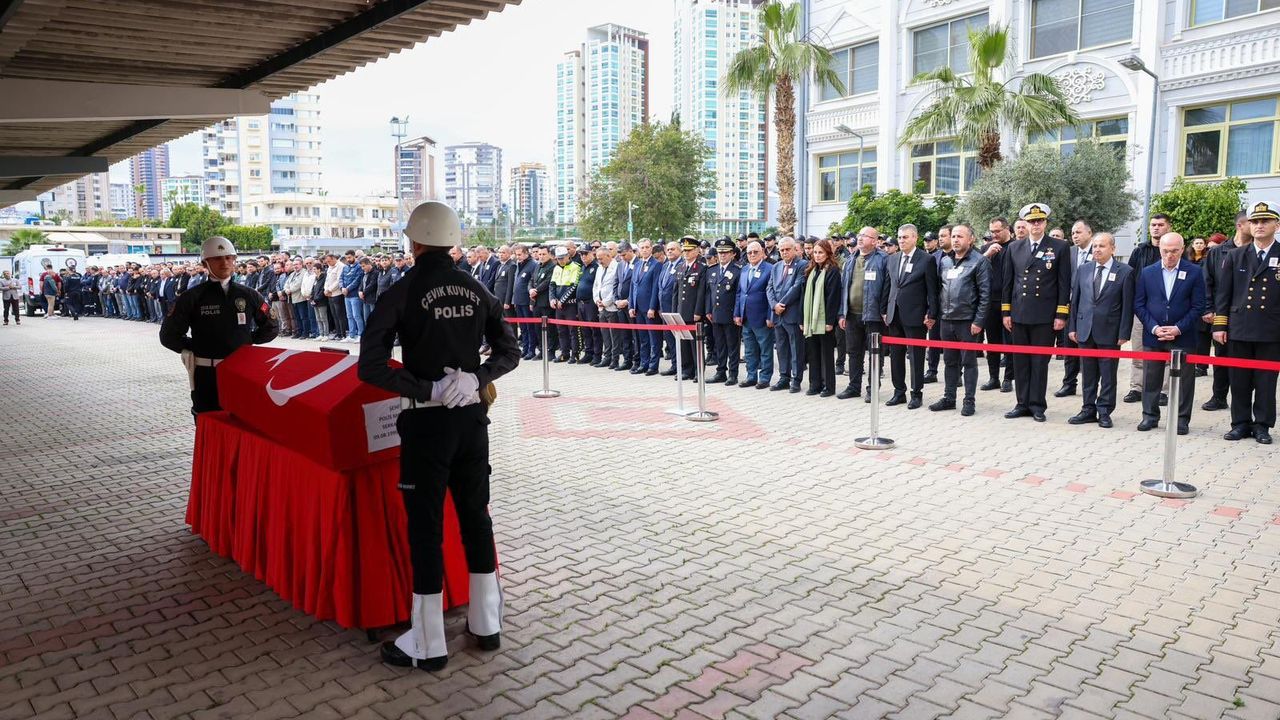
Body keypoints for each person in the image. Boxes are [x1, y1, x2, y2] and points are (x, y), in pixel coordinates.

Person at [357, 201, 518, 672]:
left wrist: (426, 388)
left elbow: (370, 366)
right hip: (472, 422)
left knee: (425, 529)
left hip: (427, 425)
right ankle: (486, 624)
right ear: (453, 241)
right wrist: (476, 377)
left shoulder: (402, 290)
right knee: (476, 518)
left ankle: (427, 643)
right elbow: (510, 351)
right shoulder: (477, 288)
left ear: (414, 242)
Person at [159, 237, 278, 418]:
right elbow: (168, 336)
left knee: (243, 420)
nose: (225, 263)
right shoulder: (192, 297)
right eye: (217, 258)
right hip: (207, 374)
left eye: (229, 258)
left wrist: (245, 342)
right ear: (205, 263)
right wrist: (197, 346)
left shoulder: (249, 294)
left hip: (241, 372)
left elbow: (271, 326)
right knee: (207, 420)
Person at [1215, 201, 1280, 445]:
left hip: (1271, 330)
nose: (1259, 225)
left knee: (1266, 382)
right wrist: (1220, 326)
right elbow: (1224, 294)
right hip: (1240, 327)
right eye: (1255, 221)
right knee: (1239, 380)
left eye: (1265, 221)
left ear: (1277, 225)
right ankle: (1240, 423)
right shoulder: (1236, 255)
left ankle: (1262, 425)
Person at [1001, 204, 1071, 422]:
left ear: (1045, 223)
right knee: (1020, 361)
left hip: (1044, 315)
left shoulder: (1059, 247)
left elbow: (1064, 283)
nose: (1036, 225)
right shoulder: (1014, 247)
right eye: (1032, 221)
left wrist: (1061, 314)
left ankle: (1037, 405)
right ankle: (1022, 403)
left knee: (1040, 363)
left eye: (1040, 221)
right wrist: (1006, 312)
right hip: (1019, 313)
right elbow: (1008, 282)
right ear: (1026, 223)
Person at [1134, 233, 1204, 435]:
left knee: (1184, 381)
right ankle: (1149, 416)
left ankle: (1181, 419)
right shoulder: (1148, 272)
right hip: (1153, 335)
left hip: (1183, 335)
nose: (1170, 255)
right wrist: (1154, 328)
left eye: (1174, 251)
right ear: (1160, 250)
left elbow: (1198, 305)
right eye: (1165, 251)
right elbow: (1139, 304)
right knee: (1151, 377)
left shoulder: (1194, 272)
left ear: (1182, 249)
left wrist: (1178, 328)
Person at [1067, 232, 1134, 429]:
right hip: (1085, 329)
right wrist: (1073, 327)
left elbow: (1127, 305)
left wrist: (1124, 333)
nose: (1097, 249)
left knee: (1108, 375)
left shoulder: (1125, 271)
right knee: (1088, 373)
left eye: (1102, 246)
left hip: (1110, 332)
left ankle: (1104, 411)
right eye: (1095, 246)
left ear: (1113, 249)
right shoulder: (1084, 269)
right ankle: (1088, 409)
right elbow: (1075, 301)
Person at [929, 224, 991, 416]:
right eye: (953, 236)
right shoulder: (945, 261)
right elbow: (939, 290)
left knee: (969, 362)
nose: (955, 240)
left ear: (971, 239)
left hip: (967, 321)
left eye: (960, 236)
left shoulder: (979, 261)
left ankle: (969, 401)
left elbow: (985, 295)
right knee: (949, 361)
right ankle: (949, 398)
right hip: (947, 320)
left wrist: (978, 321)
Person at [880, 224, 939, 410]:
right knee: (896, 355)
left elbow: (932, 290)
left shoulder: (926, 259)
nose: (901, 240)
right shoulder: (892, 259)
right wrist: (884, 309)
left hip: (915, 315)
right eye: (899, 237)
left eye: (905, 237)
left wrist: (931, 313)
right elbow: (888, 285)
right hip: (894, 314)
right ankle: (899, 392)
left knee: (915, 356)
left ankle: (916, 393)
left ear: (915, 238)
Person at [1202, 212, 1251, 411]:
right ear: (1240, 225)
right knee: (1221, 357)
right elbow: (1207, 282)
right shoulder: (1218, 252)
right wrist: (1209, 308)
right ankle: (1219, 397)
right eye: (1252, 222)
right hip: (1222, 314)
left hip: (1247, 315)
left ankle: (1245, 401)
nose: (1257, 225)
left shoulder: (1256, 251)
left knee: (1246, 361)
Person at [1124, 214, 1172, 404]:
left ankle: (1164, 391)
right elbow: (1129, 279)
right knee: (1138, 350)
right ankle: (1137, 387)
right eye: (1153, 224)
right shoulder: (1139, 251)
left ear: (1168, 227)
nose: (1156, 228)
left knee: (1166, 354)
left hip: (1167, 310)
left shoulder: (1174, 250)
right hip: (1141, 310)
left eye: (1160, 224)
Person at [837, 227, 887, 401]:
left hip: (873, 315)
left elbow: (887, 288)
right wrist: (842, 314)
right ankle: (853, 386)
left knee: (874, 354)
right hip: (851, 314)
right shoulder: (851, 259)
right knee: (853, 352)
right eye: (859, 235)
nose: (859, 238)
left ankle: (872, 389)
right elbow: (844, 288)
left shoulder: (883, 259)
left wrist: (884, 311)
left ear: (874, 241)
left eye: (864, 236)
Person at [1056, 220, 1097, 398]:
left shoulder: (1098, 250)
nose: (1075, 236)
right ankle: (1069, 383)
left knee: (1088, 349)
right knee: (1069, 346)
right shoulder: (1069, 252)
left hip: (1089, 307)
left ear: (1089, 233)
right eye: (1073, 233)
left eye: (1078, 232)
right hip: (1069, 306)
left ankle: (1091, 386)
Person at [801, 239, 842, 397]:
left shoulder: (832, 271)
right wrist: (802, 320)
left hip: (824, 320)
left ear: (827, 254)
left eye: (821, 253)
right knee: (812, 352)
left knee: (826, 354)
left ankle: (828, 386)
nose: (817, 255)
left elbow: (833, 298)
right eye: (815, 252)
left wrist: (830, 321)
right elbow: (804, 296)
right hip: (810, 319)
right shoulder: (811, 270)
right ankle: (815, 384)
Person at [766, 237, 807, 392]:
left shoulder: (802, 265)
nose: (784, 252)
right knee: (781, 348)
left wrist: (781, 304)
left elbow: (796, 287)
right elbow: (769, 288)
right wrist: (774, 305)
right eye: (781, 250)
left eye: (787, 249)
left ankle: (796, 379)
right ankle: (784, 377)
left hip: (792, 313)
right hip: (778, 314)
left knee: (796, 348)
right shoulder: (776, 266)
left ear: (795, 249)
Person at [734, 240, 774, 389]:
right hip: (746, 317)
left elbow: (772, 294)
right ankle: (751, 376)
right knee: (749, 350)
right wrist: (737, 313)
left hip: (762, 317)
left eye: (755, 252)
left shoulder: (770, 269)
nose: (752, 255)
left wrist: (770, 316)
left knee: (765, 350)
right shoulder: (744, 269)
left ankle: (764, 378)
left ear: (762, 252)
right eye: (749, 252)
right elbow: (740, 293)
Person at [981, 217, 1015, 393]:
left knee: (1009, 342)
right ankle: (993, 377)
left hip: (1010, 302)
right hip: (990, 302)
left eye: (997, 231)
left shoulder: (1016, 247)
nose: (994, 235)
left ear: (1007, 229)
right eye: (992, 231)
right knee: (992, 342)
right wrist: (987, 255)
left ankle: (1008, 378)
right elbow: (974, 269)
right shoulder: (986, 249)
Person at [706, 238, 742, 385]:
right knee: (719, 345)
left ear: (732, 254)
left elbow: (739, 294)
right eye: (720, 253)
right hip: (715, 314)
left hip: (730, 314)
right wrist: (708, 310)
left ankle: (733, 374)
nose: (722, 255)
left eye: (726, 252)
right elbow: (709, 292)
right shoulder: (712, 270)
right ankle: (721, 371)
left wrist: (737, 313)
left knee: (732, 346)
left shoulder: (737, 271)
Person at [675, 236, 708, 381]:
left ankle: (698, 371)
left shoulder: (701, 268)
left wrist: (698, 311)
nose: (686, 253)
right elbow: (676, 292)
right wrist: (674, 311)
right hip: (681, 311)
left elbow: (702, 292)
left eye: (689, 250)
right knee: (683, 343)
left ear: (696, 251)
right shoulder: (681, 267)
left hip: (693, 312)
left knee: (696, 344)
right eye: (684, 251)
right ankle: (686, 370)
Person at [630, 239, 662, 375]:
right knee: (643, 339)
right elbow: (633, 286)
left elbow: (656, 287)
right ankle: (644, 363)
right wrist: (631, 305)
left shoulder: (656, 265)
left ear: (651, 248)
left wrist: (652, 307)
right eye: (642, 247)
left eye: (647, 247)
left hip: (649, 308)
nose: (644, 250)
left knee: (654, 339)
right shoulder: (637, 264)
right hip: (638, 307)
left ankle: (653, 366)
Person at [549, 246, 581, 363]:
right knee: (561, 331)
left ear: (568, 256)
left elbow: (573, 286)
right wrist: (552, 299)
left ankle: (575, 354)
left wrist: (562, 300)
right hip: (558, 305)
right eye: (558, 258)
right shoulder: (556, 268)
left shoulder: (575, 267)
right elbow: (552, 285)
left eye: (562, 258)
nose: (561, 260)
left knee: (573, 330)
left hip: (570, 304)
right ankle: (564, 353)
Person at [655, 241, 683, 374]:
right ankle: (674, 365)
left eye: (673, 249)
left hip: (676, 309)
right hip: (664, 310)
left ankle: (683, 367)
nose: (670, 251)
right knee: (670, 340)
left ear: (680, 250)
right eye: (668, 249)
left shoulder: (682, 265)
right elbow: (661, 288)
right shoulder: (665, 265)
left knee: (680, 341)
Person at [575, 246, 602, 366]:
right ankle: (588, 353)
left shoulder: (596, 267)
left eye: (586, 253)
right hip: (581, 303)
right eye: (581, 254)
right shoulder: (582, 268)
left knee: (594, 330)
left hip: (591, 303)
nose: (583, 256)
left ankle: (597, 354)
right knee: (585, 330)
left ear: (592, 253)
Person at [511, 244, 537, 360]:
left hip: (527, 301)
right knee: (523, 328)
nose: (518, 257)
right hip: (518, 300)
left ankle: (531, 350)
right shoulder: (518, 264)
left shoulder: (533, 265)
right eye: (516, 255)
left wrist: (532, 302)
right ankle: (525, 349)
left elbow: (533, 283)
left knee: (529, 327)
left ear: (526, 253)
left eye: (520, 254)